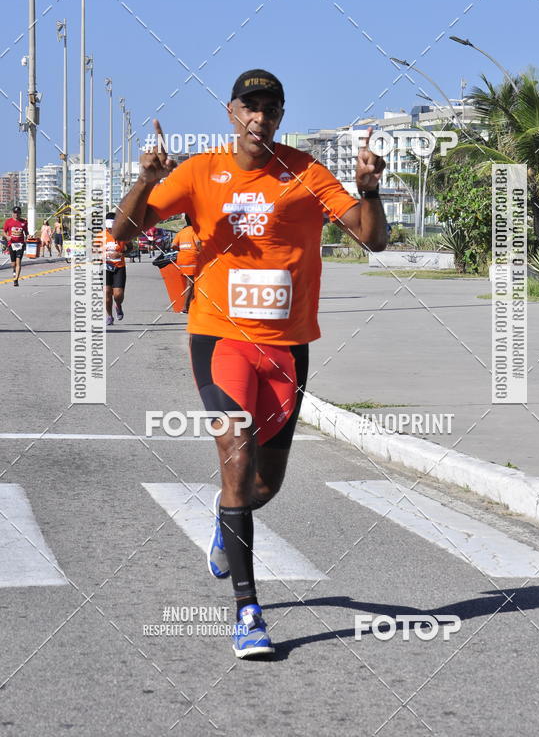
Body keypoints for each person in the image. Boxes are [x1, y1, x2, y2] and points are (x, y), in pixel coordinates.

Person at [113, 69, 387, 658]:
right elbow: (125, 232)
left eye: (271, 106)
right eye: (250, 105)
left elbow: (373, 240)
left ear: (281, 116)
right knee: (235, 450)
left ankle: (224, 518)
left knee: (263, 484)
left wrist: (368, 191)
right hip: (220, 339)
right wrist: (144, 182)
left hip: (287, 348)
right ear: (231, 112)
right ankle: (248, 611)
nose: (260, 116)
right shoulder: (196, 173)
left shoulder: (307, 171)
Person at [97, 212, 131, 326]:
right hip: (105, 267)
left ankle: (118, 305)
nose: (110, 230)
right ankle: (109, 316)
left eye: (112, 227)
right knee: (106, 292)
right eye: (108, 228)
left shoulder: (122, 235)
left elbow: (130, 247)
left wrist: (121, 253)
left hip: (119, 268)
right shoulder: (100, 236)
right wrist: (102, 256)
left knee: (118, 294)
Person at [171, 215, 202, 313]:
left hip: (182, 260)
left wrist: (182, 249)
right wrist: (203, 252)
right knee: (191, 283)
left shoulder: (181, 232)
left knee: (190, 282)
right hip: (192, 259)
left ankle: (192, 305)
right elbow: (198, 244)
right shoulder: (194, 231)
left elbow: (173, 246)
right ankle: (185, 307)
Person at [3, 206, 29, 287]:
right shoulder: (8, 222)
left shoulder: (24, 222)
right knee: (13, 264)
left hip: (20, 245)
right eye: (14, 213)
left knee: (18, 262)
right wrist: (7, 237)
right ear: (12, 213)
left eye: (17, 213)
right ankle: (14, 269)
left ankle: (16, 280)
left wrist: (28, 236)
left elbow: (26, 232)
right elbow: (4, 232)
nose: (16, 215)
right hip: (11, 244)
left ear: (20, 213)